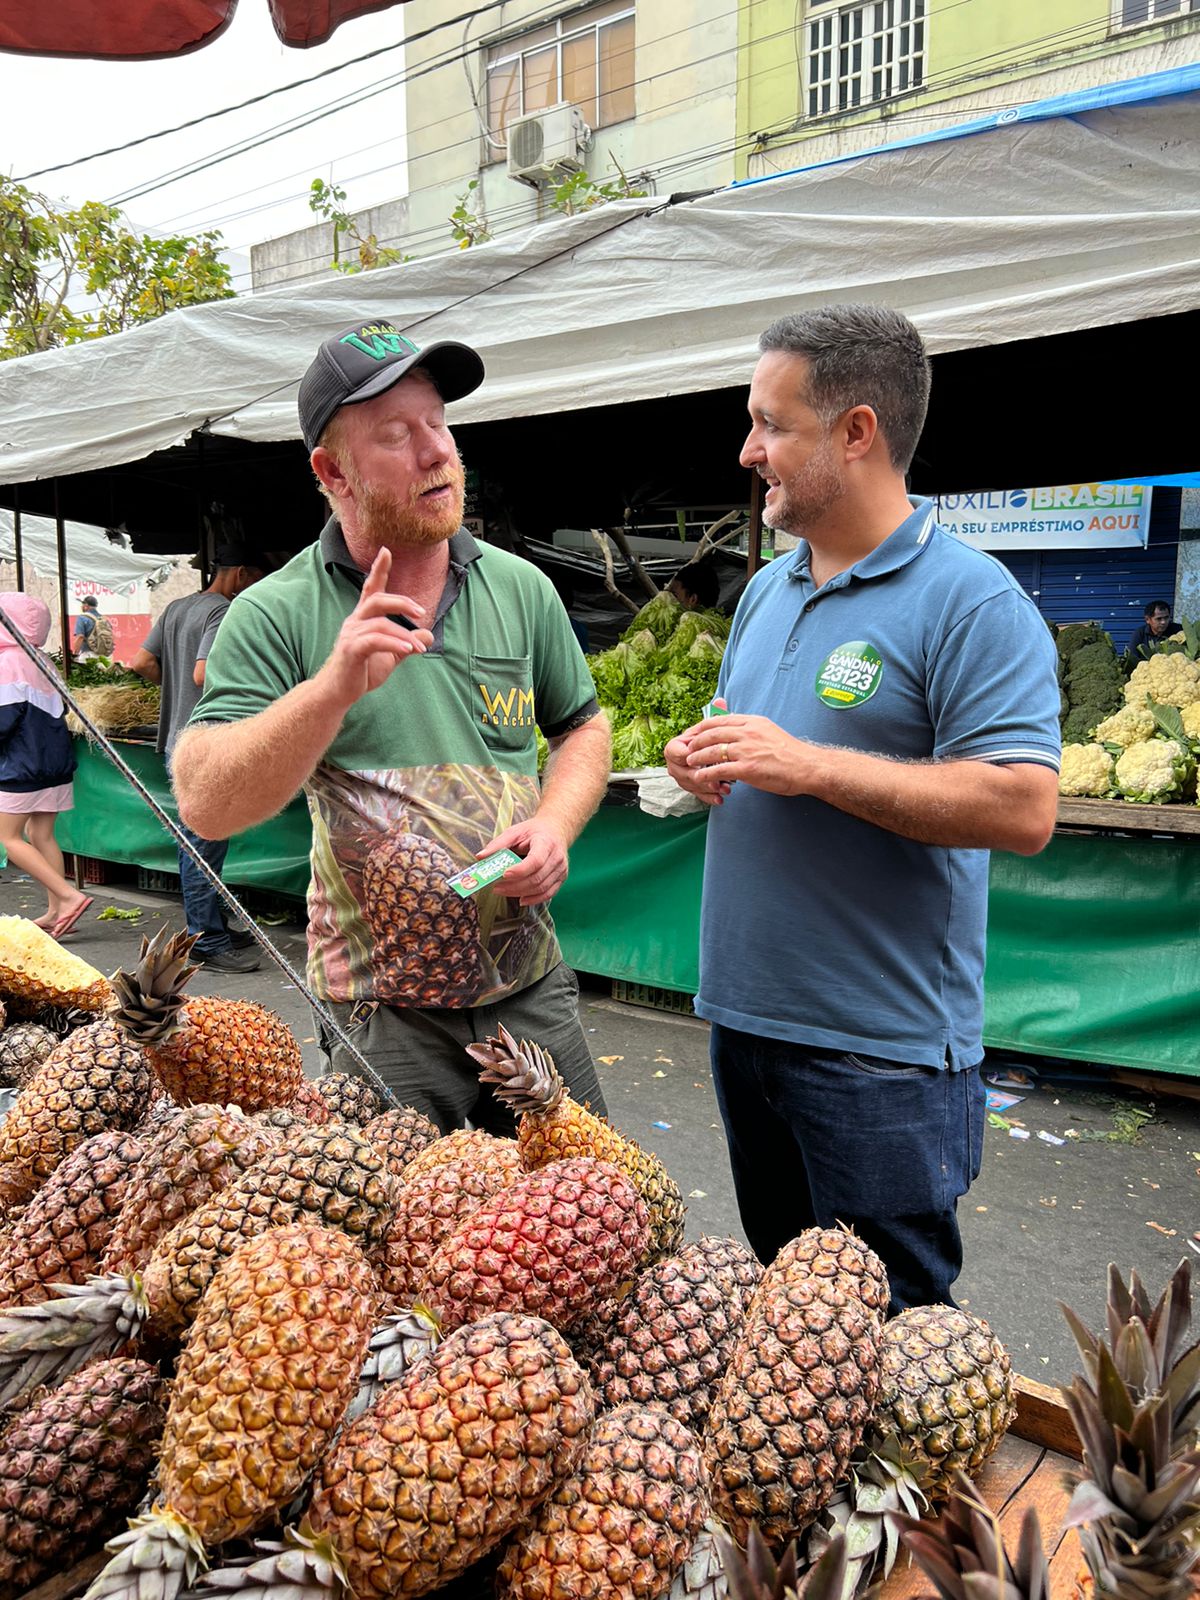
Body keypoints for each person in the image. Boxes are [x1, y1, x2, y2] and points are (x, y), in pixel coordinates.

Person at [664, 303, 1061, 1311]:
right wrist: (707, 758)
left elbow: (1023, 806)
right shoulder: (769, 590)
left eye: (771, 424)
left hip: (878, 1057)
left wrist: (812, 766)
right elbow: (757, 741)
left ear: (856, 432)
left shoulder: (973, 600)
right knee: (787, 1338)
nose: (748, 450)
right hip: (746, 1023)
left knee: (893, 1344)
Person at [172, 318, 610, 1131]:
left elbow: (582, 727)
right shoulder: (275, 612)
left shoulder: (521, 589)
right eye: (397, 434)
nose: (437, 451)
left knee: (588, 1193)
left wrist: (555, 823)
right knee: (395, 1210)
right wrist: (331, 690)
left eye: (438, 423)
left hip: (529, 989)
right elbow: (205, 802)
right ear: (332, 470)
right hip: (383, 1012)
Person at [131, 546, 267, 974]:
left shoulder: (177, 607)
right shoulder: (224, 611)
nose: (258, 588)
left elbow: (142, 662)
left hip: (178, 739)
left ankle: (213, 925)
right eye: (257, 578)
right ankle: (206, 940)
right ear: (241, 573)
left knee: (201, 840)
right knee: (202, 843)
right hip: (206, 742)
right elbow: (204, 673)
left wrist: (176, 694)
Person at [0, 592, 94, 938]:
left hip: (22, 767)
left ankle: (69, 898)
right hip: (55, 765)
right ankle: (57, 912)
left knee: (7, 837)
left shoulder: (8, 663)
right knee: (41, 835)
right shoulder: (42, 660)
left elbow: (3, 720)